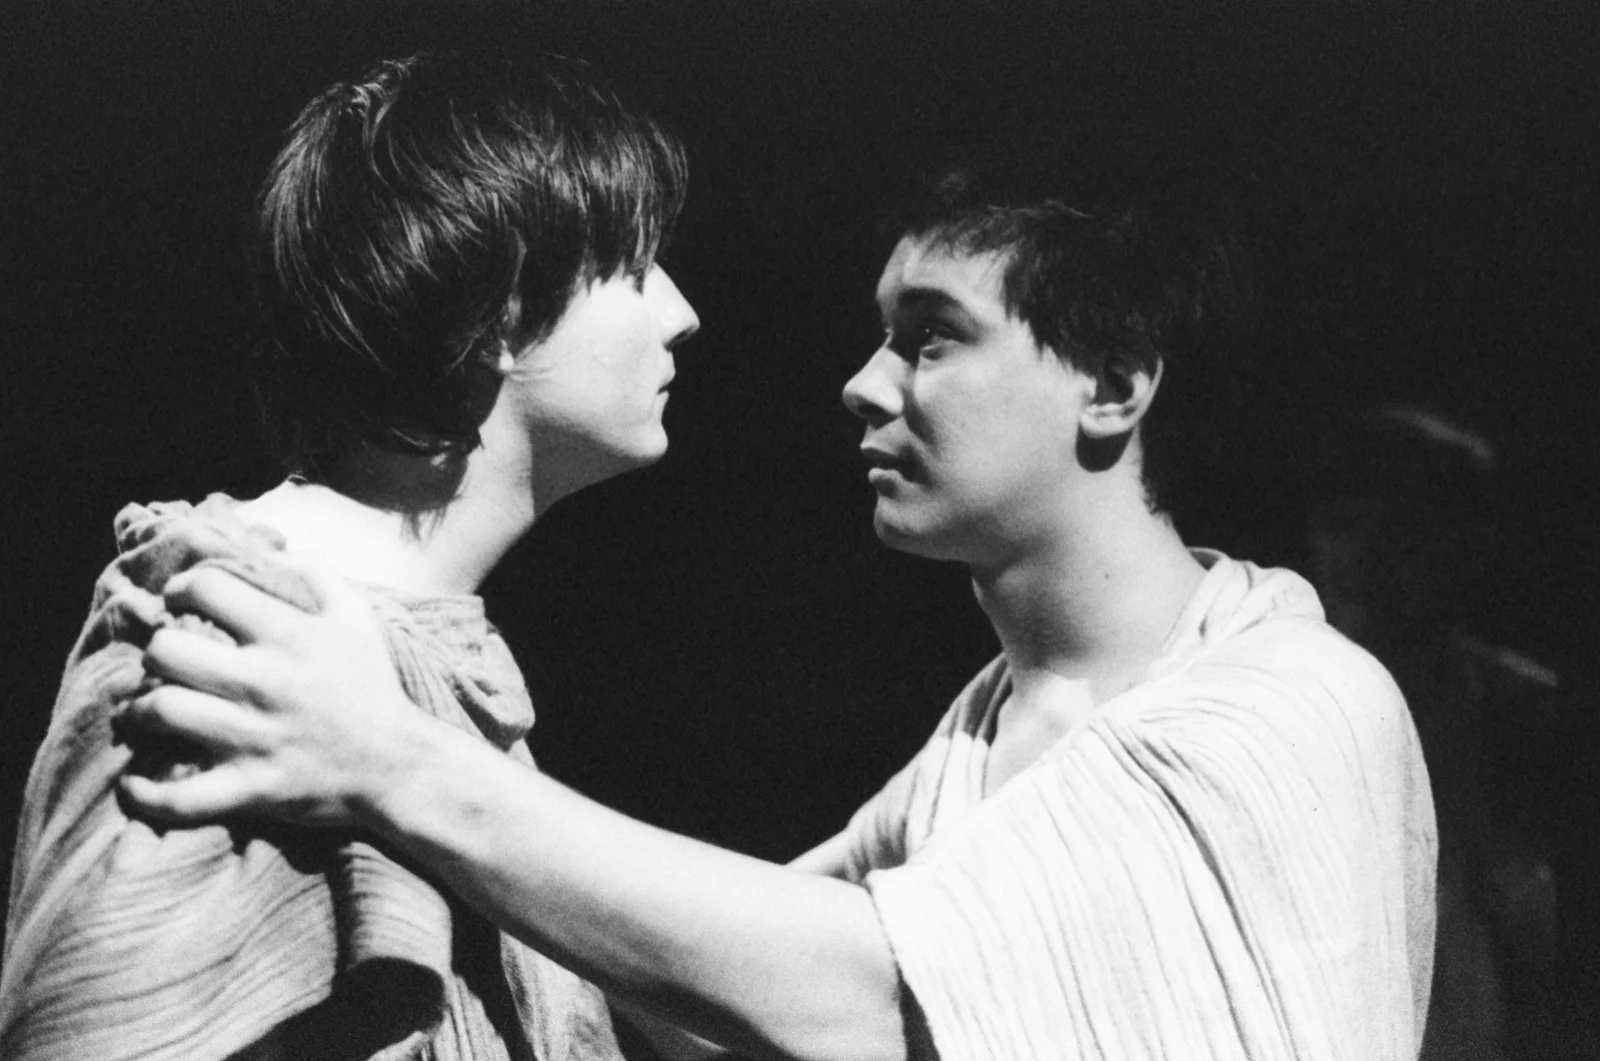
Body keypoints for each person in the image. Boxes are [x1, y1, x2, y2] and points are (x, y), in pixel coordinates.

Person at [117, 155, 1438, 1061]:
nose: (864, 384)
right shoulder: (981, 736)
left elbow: (861, 994)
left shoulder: (1288, 705)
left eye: (931, 337)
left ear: (1113, 385)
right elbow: (700, 989)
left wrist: (396, 756)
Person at [0, 52, 698, 1061]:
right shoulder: (217, 628)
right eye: (635, 268)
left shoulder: (413, 662)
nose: (680, 313)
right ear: (500, 312)